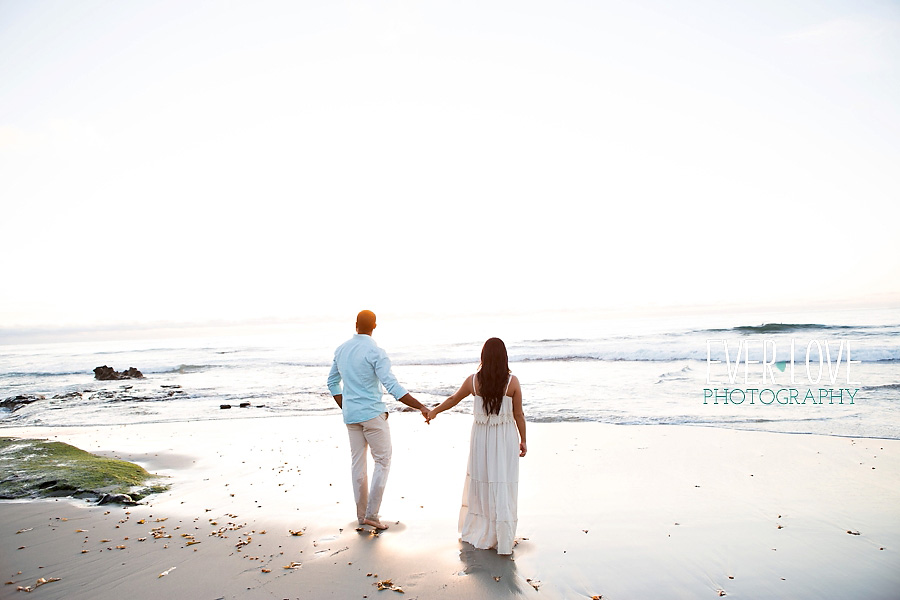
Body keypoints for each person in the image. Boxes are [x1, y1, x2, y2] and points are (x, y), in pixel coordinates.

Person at [327, 310, 429, 531]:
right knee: (382, 461)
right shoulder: (375, 352)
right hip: (372, 415)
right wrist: (420, 406)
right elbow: (393, 387)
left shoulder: (341, 349)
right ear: (374, 326)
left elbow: (332, 383)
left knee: (357, 464)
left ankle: (362, 515)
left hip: (351, 416)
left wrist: (346, 407)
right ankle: (372, 515)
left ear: (356, 324)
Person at [427, 337, 526, 555]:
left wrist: (434, 412)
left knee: (483, 480)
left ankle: (483, 531)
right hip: (505, 437)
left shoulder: (474, 381)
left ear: (484, 357)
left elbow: (453, 399)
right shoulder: (513, 382)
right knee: (503, 481)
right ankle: (503, 535)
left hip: (481, 437)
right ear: (504, 357)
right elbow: (518, 414)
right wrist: (523, 440)